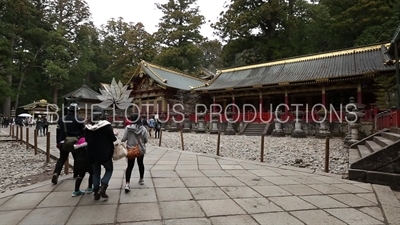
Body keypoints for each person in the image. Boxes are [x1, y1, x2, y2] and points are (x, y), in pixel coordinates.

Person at [85, 112, 117, 200]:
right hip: (105, 153)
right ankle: (103, 185)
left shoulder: (88, 127)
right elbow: (113, 139)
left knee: (96, 172)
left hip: (92, 153)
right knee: (109, 169)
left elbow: (86, 139)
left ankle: (96, 191)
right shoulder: (106, 126)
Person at [52, 103, 85, 185]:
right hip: (75, 142)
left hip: (63, 142)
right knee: (77, 158)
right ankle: (76, 174)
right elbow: (83, 132)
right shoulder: (79, 119)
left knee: (62, 159)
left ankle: (56, 173)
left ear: (69, 110)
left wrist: (58, 142)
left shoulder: (61, 119)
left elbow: (58, 132)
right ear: (76, 111)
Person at [121, 113, 148, 193]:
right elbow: (146, 140)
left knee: (129, 166)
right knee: (140, 163)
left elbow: (123, 139)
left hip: (131, 149)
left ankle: (127, 184)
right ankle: (141, 179)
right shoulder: (143, 129)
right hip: (140, 149)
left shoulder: (128, 128)